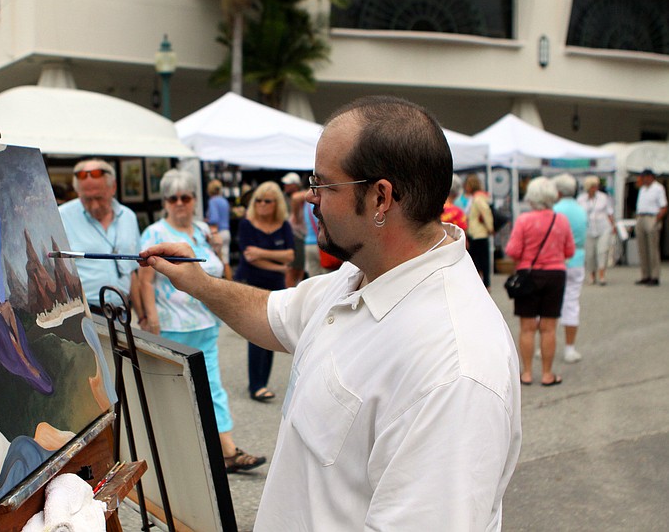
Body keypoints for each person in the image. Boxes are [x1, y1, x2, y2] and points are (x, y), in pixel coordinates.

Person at [139, 96, 521, 530]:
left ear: (381, 197)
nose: (309, 198)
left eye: (322, 184)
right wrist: (201, 284)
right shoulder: (362, 274)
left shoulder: (454, 368)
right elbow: (274, 314)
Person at [139, 169, 265, 474]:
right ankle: (178, 456)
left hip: (205, 322)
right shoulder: (154, 233)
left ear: (195, 199)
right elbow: (144, 280)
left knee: (212, 387)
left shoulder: (202, 231)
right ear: (165, 202)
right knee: (172, 390)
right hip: (172, 325)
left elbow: (221, 272)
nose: (180, 203)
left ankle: (227, 450)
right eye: (173, 198)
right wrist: (151, 316)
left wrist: (219, 249)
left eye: (186, 196)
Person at [506, 177, 574, 386]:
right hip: (555, 275)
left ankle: (526, 373)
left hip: (529, 276)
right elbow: (569, 250)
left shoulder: (524, 220)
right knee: (549, 327)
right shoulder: (561, 220)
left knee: (527, 327)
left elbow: (512, 251)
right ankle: (547, 374)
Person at [233, 181, 294, 402]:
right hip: (252, 282)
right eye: (258, 200)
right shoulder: (247, 224)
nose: (261, 205)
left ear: (276, 203)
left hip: (276, 286)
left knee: (272, 332)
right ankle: (256, 385)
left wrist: (262, 253)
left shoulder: (283, 225)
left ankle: (262, 382)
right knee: (255, 333)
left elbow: (290, 255)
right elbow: (250, 258)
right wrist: (278, 263)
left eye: (267, 201)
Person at [58, 159, 142, 312]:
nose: (94, 205)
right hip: (86, 312)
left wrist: (142, 315)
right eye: (87, 199)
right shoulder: (61, 217)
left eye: (99, 198)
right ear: (78, 193)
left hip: (123, 311)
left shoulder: (128, 217)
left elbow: (132, 271)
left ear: (113, 188)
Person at [553, 174, 588, 364]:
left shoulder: (555, 210)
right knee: (572, 303)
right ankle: (570, 348)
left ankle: (545, 346)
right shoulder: (581, 210)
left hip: (557, 260)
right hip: (577, 259)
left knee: (551, 304)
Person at [577, 175, 615, 285]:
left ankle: (602, 275)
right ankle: (592, 275)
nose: (595, 188)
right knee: (589, 254)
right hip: (588, 229)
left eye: (596, 186)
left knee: (602, 251)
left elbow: (610, 212)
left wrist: (613, 226)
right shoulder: (581, 199)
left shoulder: (604, 197)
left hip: (603, 227)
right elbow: (579, 215)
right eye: (592, 186)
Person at [633, 168, 667, 286]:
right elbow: (637, 185)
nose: (642, 179)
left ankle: (655, 275)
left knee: (652, 248)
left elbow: (664, 206)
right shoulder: (642, 188)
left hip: (651, 217)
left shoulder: (658, 188)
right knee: (642, 248)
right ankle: (645, 274)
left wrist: (656, 220)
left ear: (650, 177)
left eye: (644, 177)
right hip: (641, 217)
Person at [464, 173, 495, 288]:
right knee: (480, 259)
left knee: (479, 260)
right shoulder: (478, 197)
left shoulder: (477, 198)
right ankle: (484, 283)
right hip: (477, 233)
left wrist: (490, 227)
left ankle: (485, 284)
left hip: (478, 233)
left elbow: (486, 212)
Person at [280, 172, 307, 287]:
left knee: (297, 267)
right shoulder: (286, 197)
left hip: (299, 235)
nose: (285, 186)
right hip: (295, 234)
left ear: (295, 185)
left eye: (288, 184)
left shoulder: (299, 196)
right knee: (293, 267)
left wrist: (295, 217)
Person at [205, 179, 231, 279]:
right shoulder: (224, 201)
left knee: (217, 263)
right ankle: (231, 285)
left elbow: (214, 218)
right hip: (226, 232)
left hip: (217, 233)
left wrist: (207, 220)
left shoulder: (212, 201)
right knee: (226, 262)